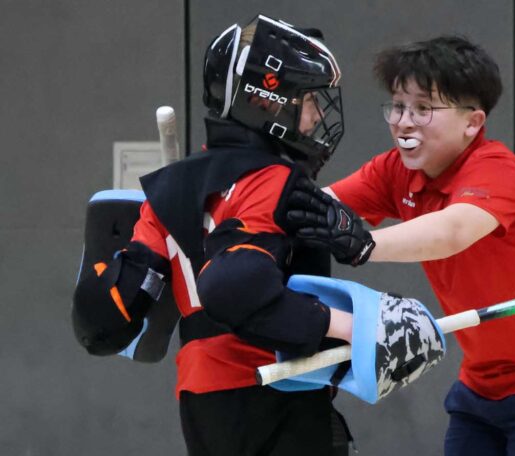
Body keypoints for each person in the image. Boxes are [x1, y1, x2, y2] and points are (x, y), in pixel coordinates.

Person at [285, 36, 515, 455]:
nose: (404, 122)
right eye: (399, 106)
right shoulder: (394, 171)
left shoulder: (498, 171)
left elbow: (452, 231)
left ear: (472, 123)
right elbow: (315, 209)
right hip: (481, 385)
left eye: (424, 109)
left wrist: (362, 243)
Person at [72, 14, 354, 456]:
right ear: (266, 101)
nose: (317, 115)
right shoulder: (273, 179)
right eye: (309, 100)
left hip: (202, 401)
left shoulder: (168, 189)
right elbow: (237, 288)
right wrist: (355, 330)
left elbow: (106, 321)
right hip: (276, 389)